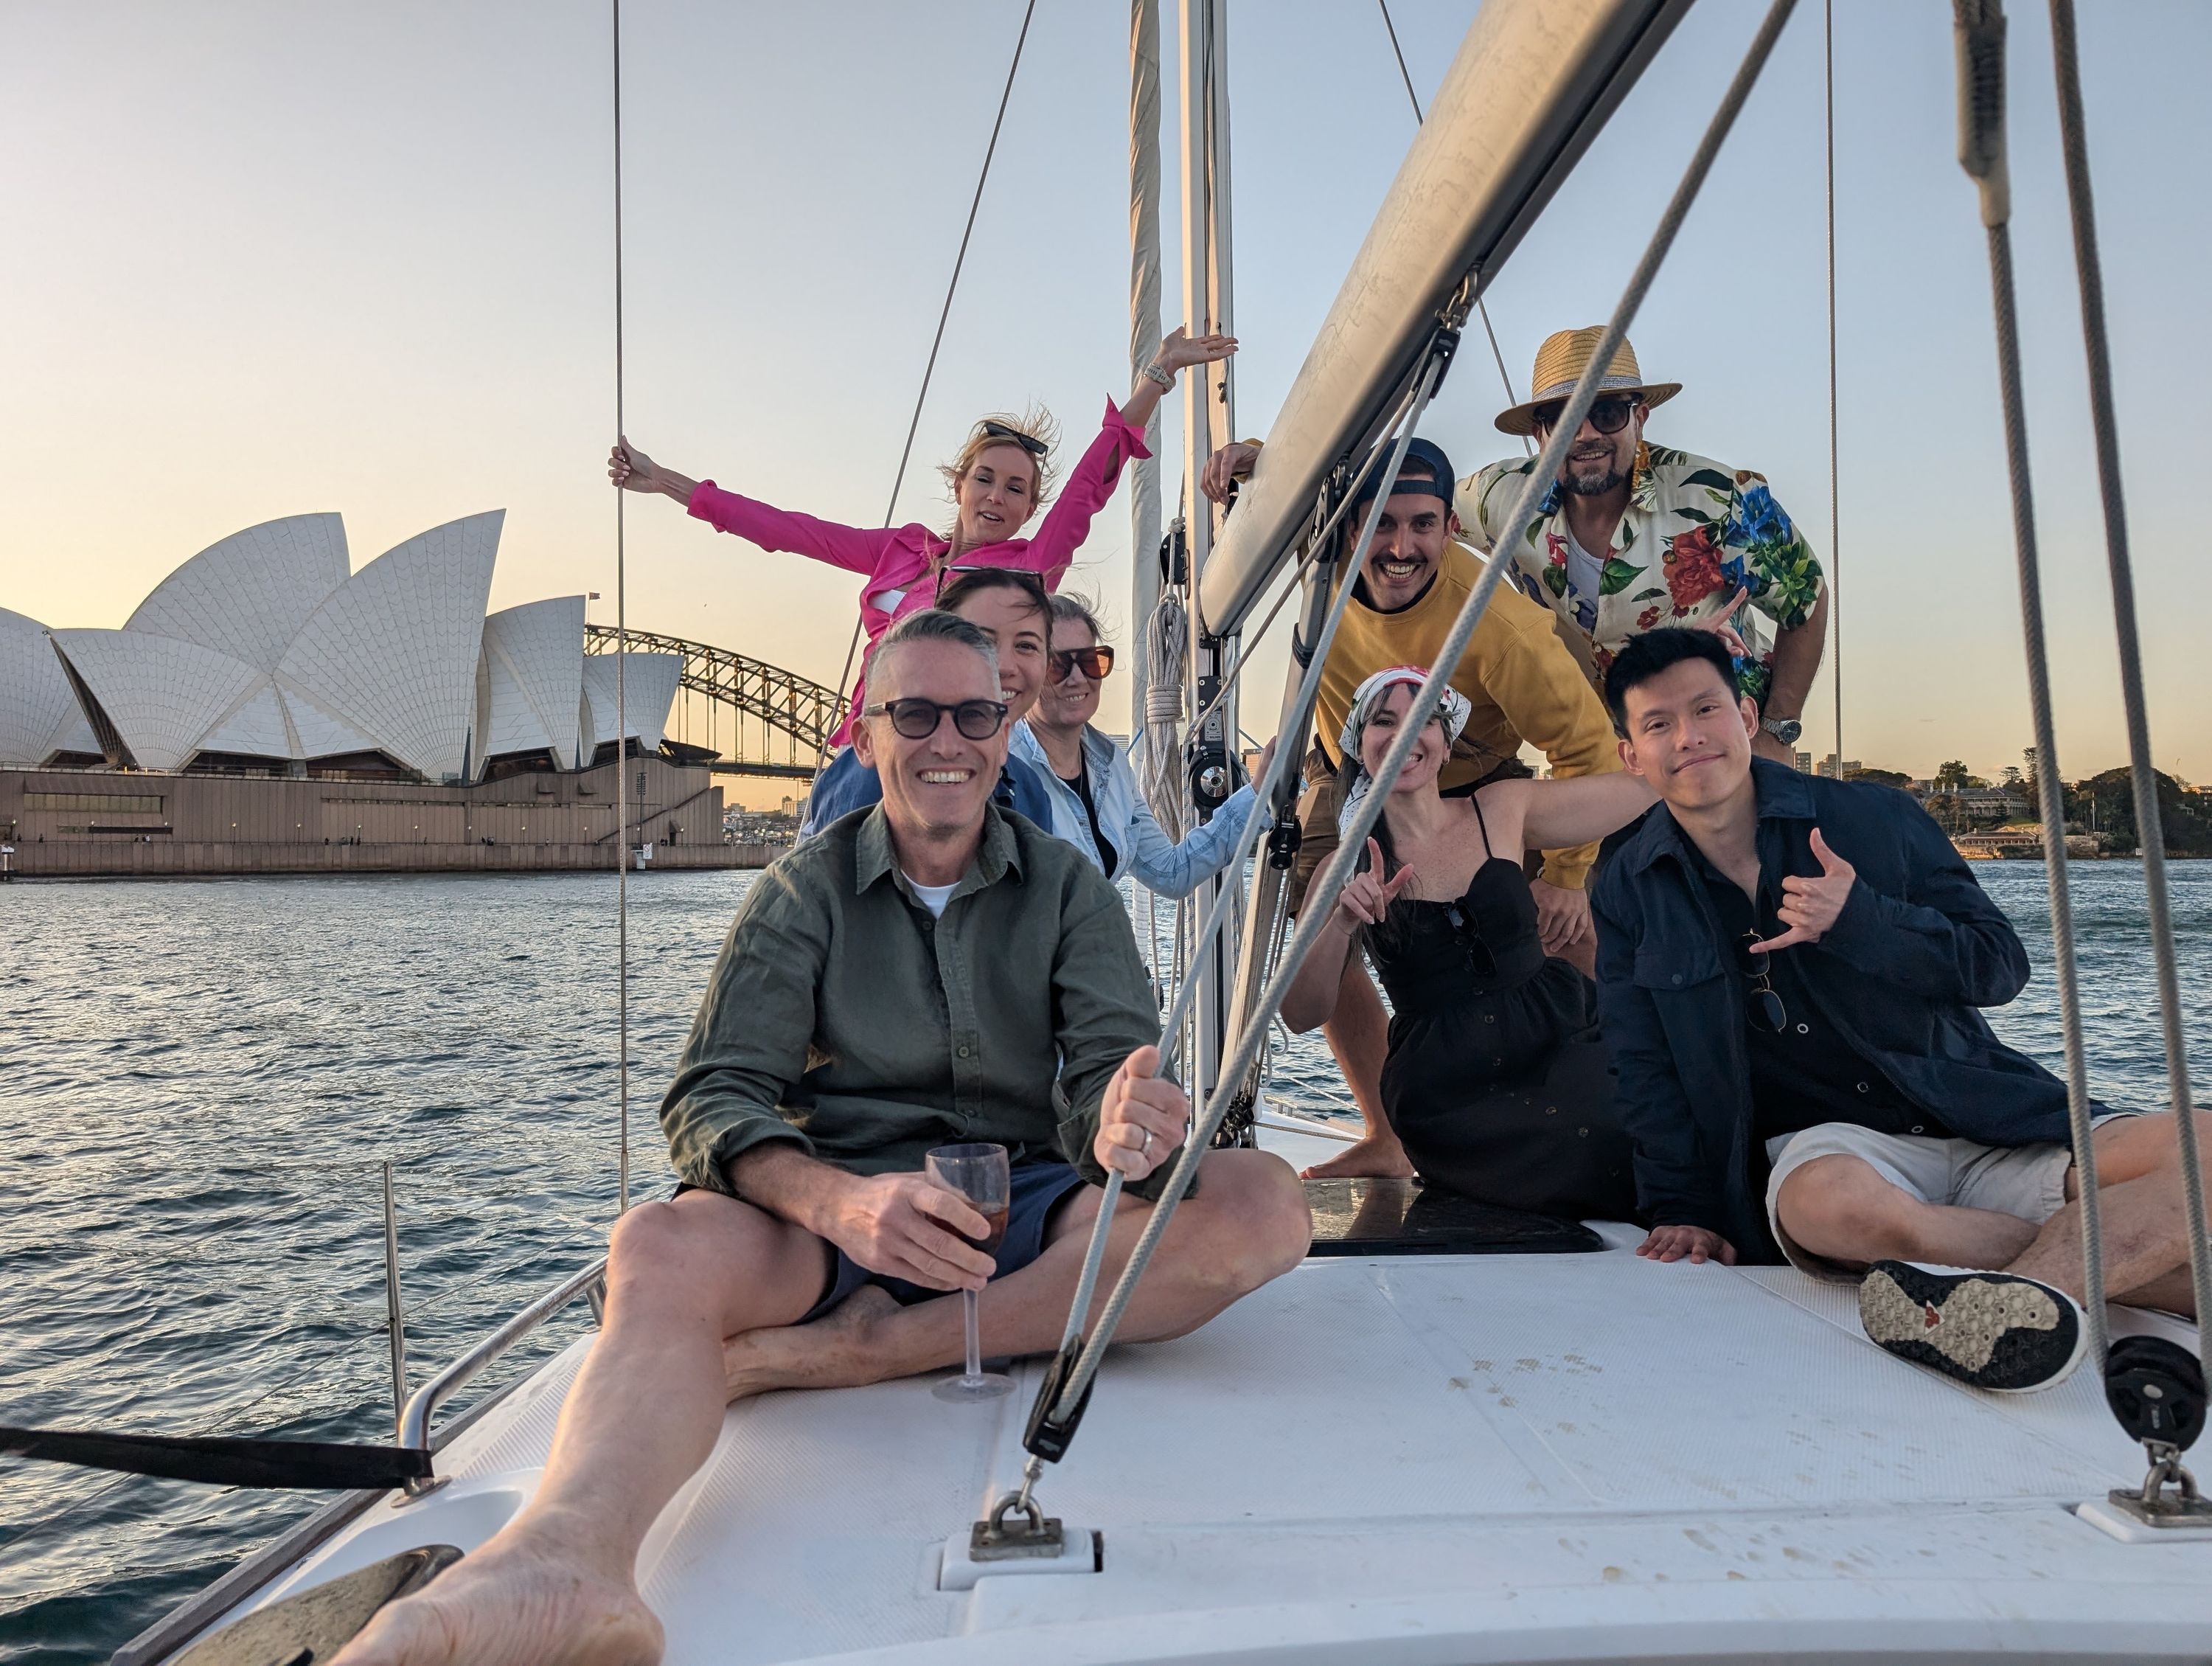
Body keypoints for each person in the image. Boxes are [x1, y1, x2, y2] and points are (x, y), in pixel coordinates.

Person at [331, 609, 1312, 1666]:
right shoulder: (801, 890)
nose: (949, 740)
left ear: (1004, 725)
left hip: (1028, 1193)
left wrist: (1129, 1121)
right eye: (916, 713)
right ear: (866, 735)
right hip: (839, 1209)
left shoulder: (1067, 888)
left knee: (1262, 1203)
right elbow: (713, 1097)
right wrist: (840, 1202)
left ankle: (877, 1348)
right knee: (656, 1246)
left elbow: (1109, 1094)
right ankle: (569, 1556)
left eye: (975, 712)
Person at [1592, 628, 2205, 1392]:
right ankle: (2152, 1281)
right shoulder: (1627, 879)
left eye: (1706, 709)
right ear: (1630, 755)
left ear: (1746, 718)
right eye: (1658, 725)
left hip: (1981, 1119)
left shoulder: (1874, 819)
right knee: (1830, 1210)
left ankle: (2022, 1303)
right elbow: (1641, 1058)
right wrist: (1680, 1207)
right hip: (1835, 1149)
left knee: (2202, 1144)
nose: (1689, 738)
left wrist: (1862, 922)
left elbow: (1998, 966)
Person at [1201, 433, 1619, 1180]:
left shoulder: (1502, 628)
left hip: (1472, 770)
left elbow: (1590, 750)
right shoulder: (1322, 553)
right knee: (1323, 925)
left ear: (1449, 528)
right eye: (1380, 524)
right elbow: (1300, 474)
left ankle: (1587, 1103)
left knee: (1552, 927)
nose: (1400, 546)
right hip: (1349, 768)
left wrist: (1566, 874)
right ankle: (1387, 1134)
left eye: (1422, 524)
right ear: (1349, 524)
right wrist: (1262, 459)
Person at [608, 327, 1237, 742]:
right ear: (959, 484)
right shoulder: (901, 549)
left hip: (946, 752)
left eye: (1016, 489)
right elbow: (786, 530)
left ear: (1028, 508)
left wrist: (1157, 372)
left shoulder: (1026, 568)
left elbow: (1092, 482)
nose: (997, 496)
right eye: (985, 479)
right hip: (865, 747)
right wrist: (664, 480)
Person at [1279, 667, 1653, 1221]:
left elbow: (1644, 788)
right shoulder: (1344, 864)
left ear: (1447, 739)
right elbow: (1299, 1013)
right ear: (1359, 742)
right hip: (1450, 1092)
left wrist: (1676, 700)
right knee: (1594, 1143)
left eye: (1424, 719)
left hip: (1561, 1037)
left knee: (1652, 1121)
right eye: (1385, 721)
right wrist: (1341, 923)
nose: (1405, 735)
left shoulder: (1501, 808)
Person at [1458, 327, 1827, 765]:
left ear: (1641, 418)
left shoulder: (1715, 497)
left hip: (1721, 749)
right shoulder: (1497, 498)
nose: (1585, 434)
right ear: (1541, 433)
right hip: (1606, 758)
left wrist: (1777, 731)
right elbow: (1410, 517)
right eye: (1563, 418)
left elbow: (1807, 599)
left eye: (1608, 412)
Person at [1012, 593, 1271, 898]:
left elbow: (1171, 872)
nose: (1078, 678)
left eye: (1090, 661)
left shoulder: (1111, 765)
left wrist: (1258, 792)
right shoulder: (1004, 768)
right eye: (1058, 665)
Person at [799, 566, 1058, 835]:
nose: (1005, 666)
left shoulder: (1030, 790)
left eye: (1027, 646)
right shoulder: (881, 770)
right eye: (980, 641)